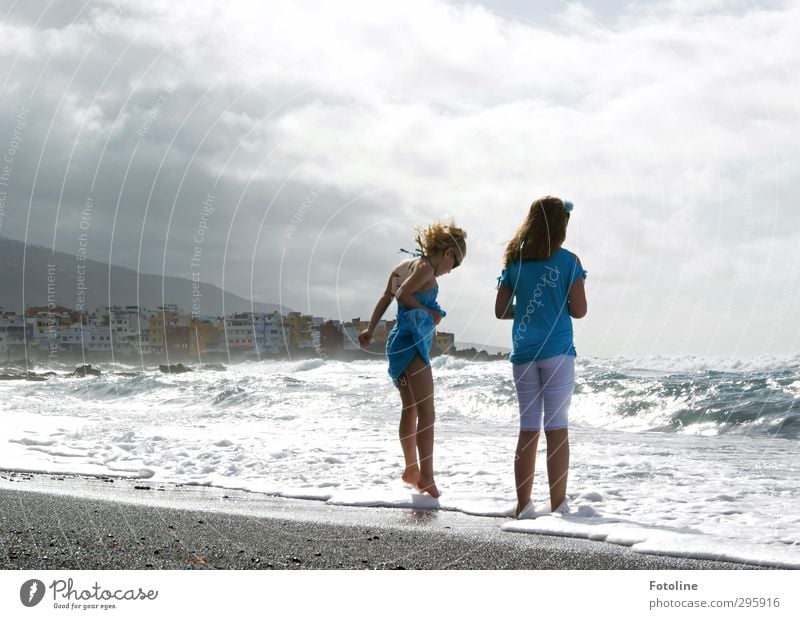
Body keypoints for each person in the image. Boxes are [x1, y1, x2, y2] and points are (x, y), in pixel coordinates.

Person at [359, 221, 467, 498]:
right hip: (409, 344)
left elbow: (388, 296)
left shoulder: (405, 265)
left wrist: (370, 329)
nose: (450, 271)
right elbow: (402, 294)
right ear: (447, 253)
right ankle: (427, 477)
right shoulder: (425, 268)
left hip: (397, 344)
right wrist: (429, 313)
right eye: (454, 264)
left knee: (410, 408)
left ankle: (412, 469)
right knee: (427, 412)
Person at [495, 196, 587, 518]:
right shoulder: (569, 261)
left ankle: (523, 506)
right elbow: (580, 310)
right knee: (557, 428)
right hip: (557, 352)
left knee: (528, 429)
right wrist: (553, 306)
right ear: (561, 225)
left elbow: (501, 311)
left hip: (523, 353)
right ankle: (559, 505)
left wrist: (529, 310)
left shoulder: (514, 261)